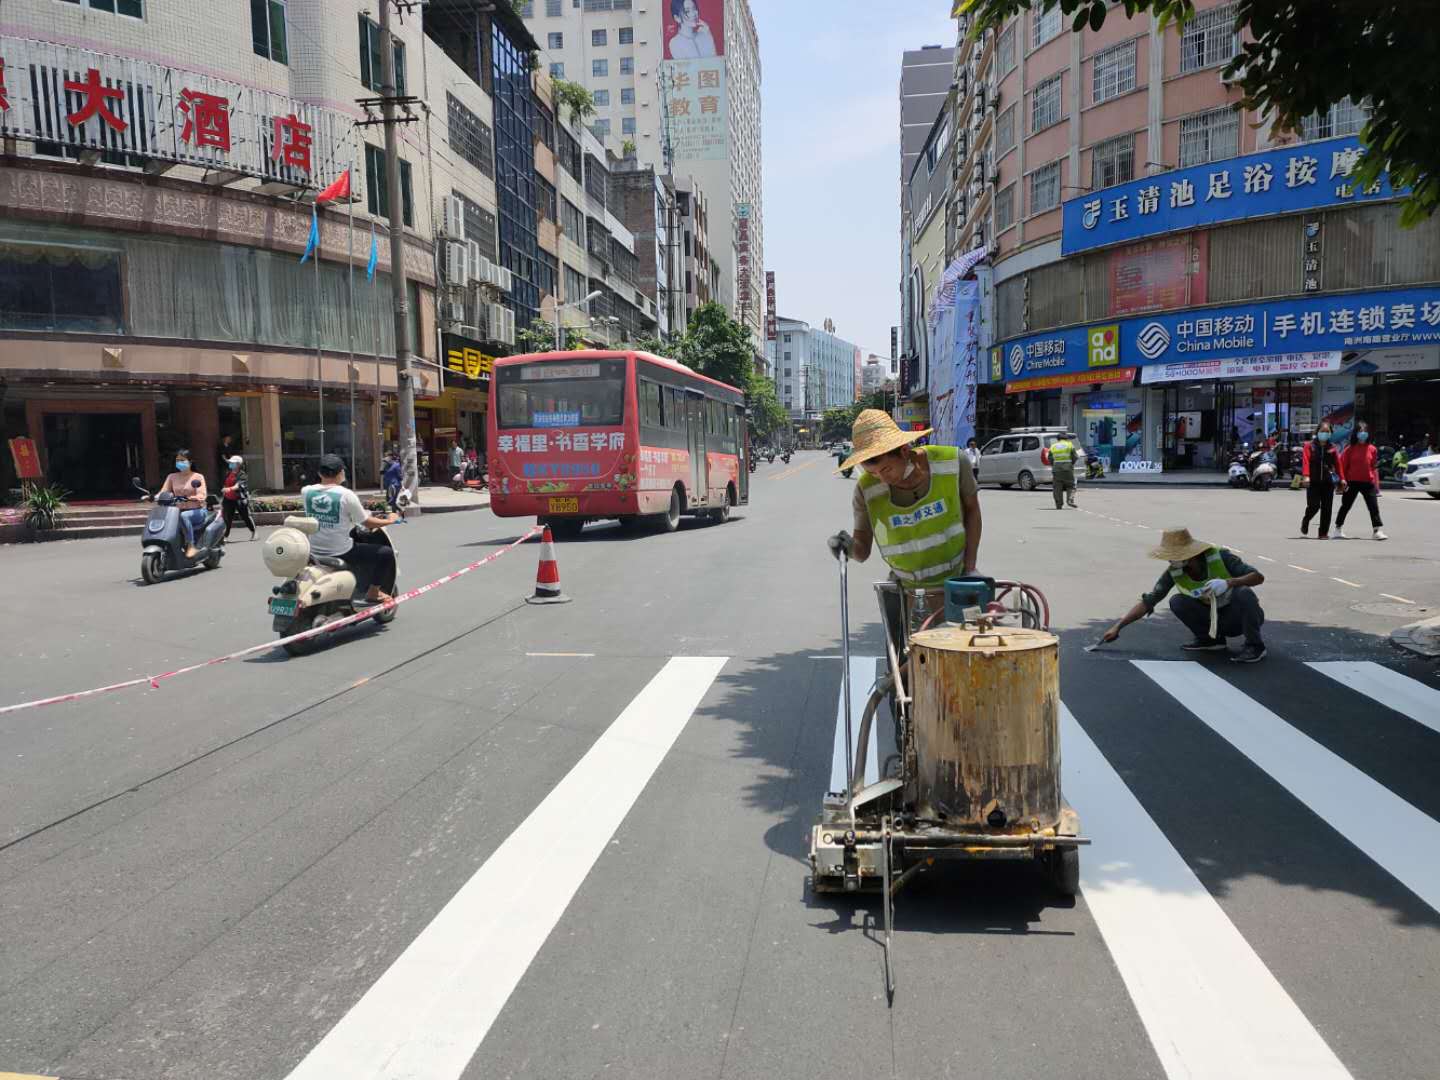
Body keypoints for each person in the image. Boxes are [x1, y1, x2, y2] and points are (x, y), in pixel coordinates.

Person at [827, 410, 982, 641]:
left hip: (957, 585)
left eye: (886, 469)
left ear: (903, 450)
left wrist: (970, 569)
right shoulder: (866, 490)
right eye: (873, 472)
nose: (882, 479)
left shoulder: (952, 463)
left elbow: (972, 510)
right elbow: (862, 550)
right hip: (905, 593)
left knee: (964, 659)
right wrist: (845, 547)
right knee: (904, 666)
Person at [1101, 526, 1268, 663]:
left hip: (1238, 618)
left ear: (1190, 553)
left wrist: (1229, 583)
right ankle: (1211, 641)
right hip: (1212, 621)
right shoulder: (1175, 571)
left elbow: (1257, 577)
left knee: (1244, 593)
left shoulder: (1220, 556)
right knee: (1177, 601)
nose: (1170, 561)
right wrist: (1118, 627)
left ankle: (1255, 646)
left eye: (1174, 556)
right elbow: (1150, 600)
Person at [301, 453, 400, 603]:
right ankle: (374, 593)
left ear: (320, 473)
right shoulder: (346, 495)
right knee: (385, 553)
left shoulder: (306, 492)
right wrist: (390, 520)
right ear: (341, 473)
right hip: (341, 551)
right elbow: (367, 522)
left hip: (314, 551)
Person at [1334, 421, 1387, 540]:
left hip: (1368, 482)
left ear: (1368, 433)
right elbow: (1342, 466)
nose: (1362, 433)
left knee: (1373, 507)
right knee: (1346, 505)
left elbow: (1373, 467)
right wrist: (1342, 480)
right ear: (1356, 433)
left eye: (1365, 431)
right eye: (1360, 431)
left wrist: (1376, 485)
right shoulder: (1349, 449)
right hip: (1352, 482)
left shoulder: (1372, 449)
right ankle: (1338, 528)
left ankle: (1377, 531)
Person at [1301, 420, 1346, 539]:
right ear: (1318, 432)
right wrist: (1306, 476)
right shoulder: (1309, 446)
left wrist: (1342, 479)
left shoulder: (1332, 447)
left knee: (1327, 508)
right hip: (1313, 482)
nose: (1324, 434)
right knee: (1314, 506)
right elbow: (1305, 461)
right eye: (1322, 431)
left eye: (1327, 432)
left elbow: (1338, 464)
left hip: (1328, 482)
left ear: (1331, 433)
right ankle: (1306, 520)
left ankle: (1323, 532)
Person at [162, 449, 210, 559]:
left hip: (197, 511)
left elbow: (202, 494)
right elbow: (164, 491)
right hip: (177, 511)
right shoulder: (172, 477)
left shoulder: (198, 477)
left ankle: (191, 545)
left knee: (184, 516)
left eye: (182, 460)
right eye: (177, 460)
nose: (179, 462)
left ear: (190, 462)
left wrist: (192, 498)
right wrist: (152, 497)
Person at [220, 454, 256, 541]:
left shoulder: (242, 474)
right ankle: (225, 536)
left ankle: (253, 532)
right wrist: (224, 490)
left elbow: (238, 485)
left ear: (238, 464)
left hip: (239, 499)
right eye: (230, 463)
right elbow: (225, 484)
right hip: (228, 499)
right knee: (227, 518)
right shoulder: (228, 473)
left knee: (245, 517)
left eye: (233, 463)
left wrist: (230, 489)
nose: (230, 464)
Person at [1049, 432, 1078, 509]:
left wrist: (1054, 465)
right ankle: (1070, 500)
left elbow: (1050, 458)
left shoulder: (1053, 446)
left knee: (1057, 487)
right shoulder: (1070, 445)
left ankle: (1059, 504)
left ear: (1057, 439)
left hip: (1056, 469)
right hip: (1068, 468)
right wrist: (1071, 463)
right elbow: (1075, 457)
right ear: (1066, 438)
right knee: (1071, 485)